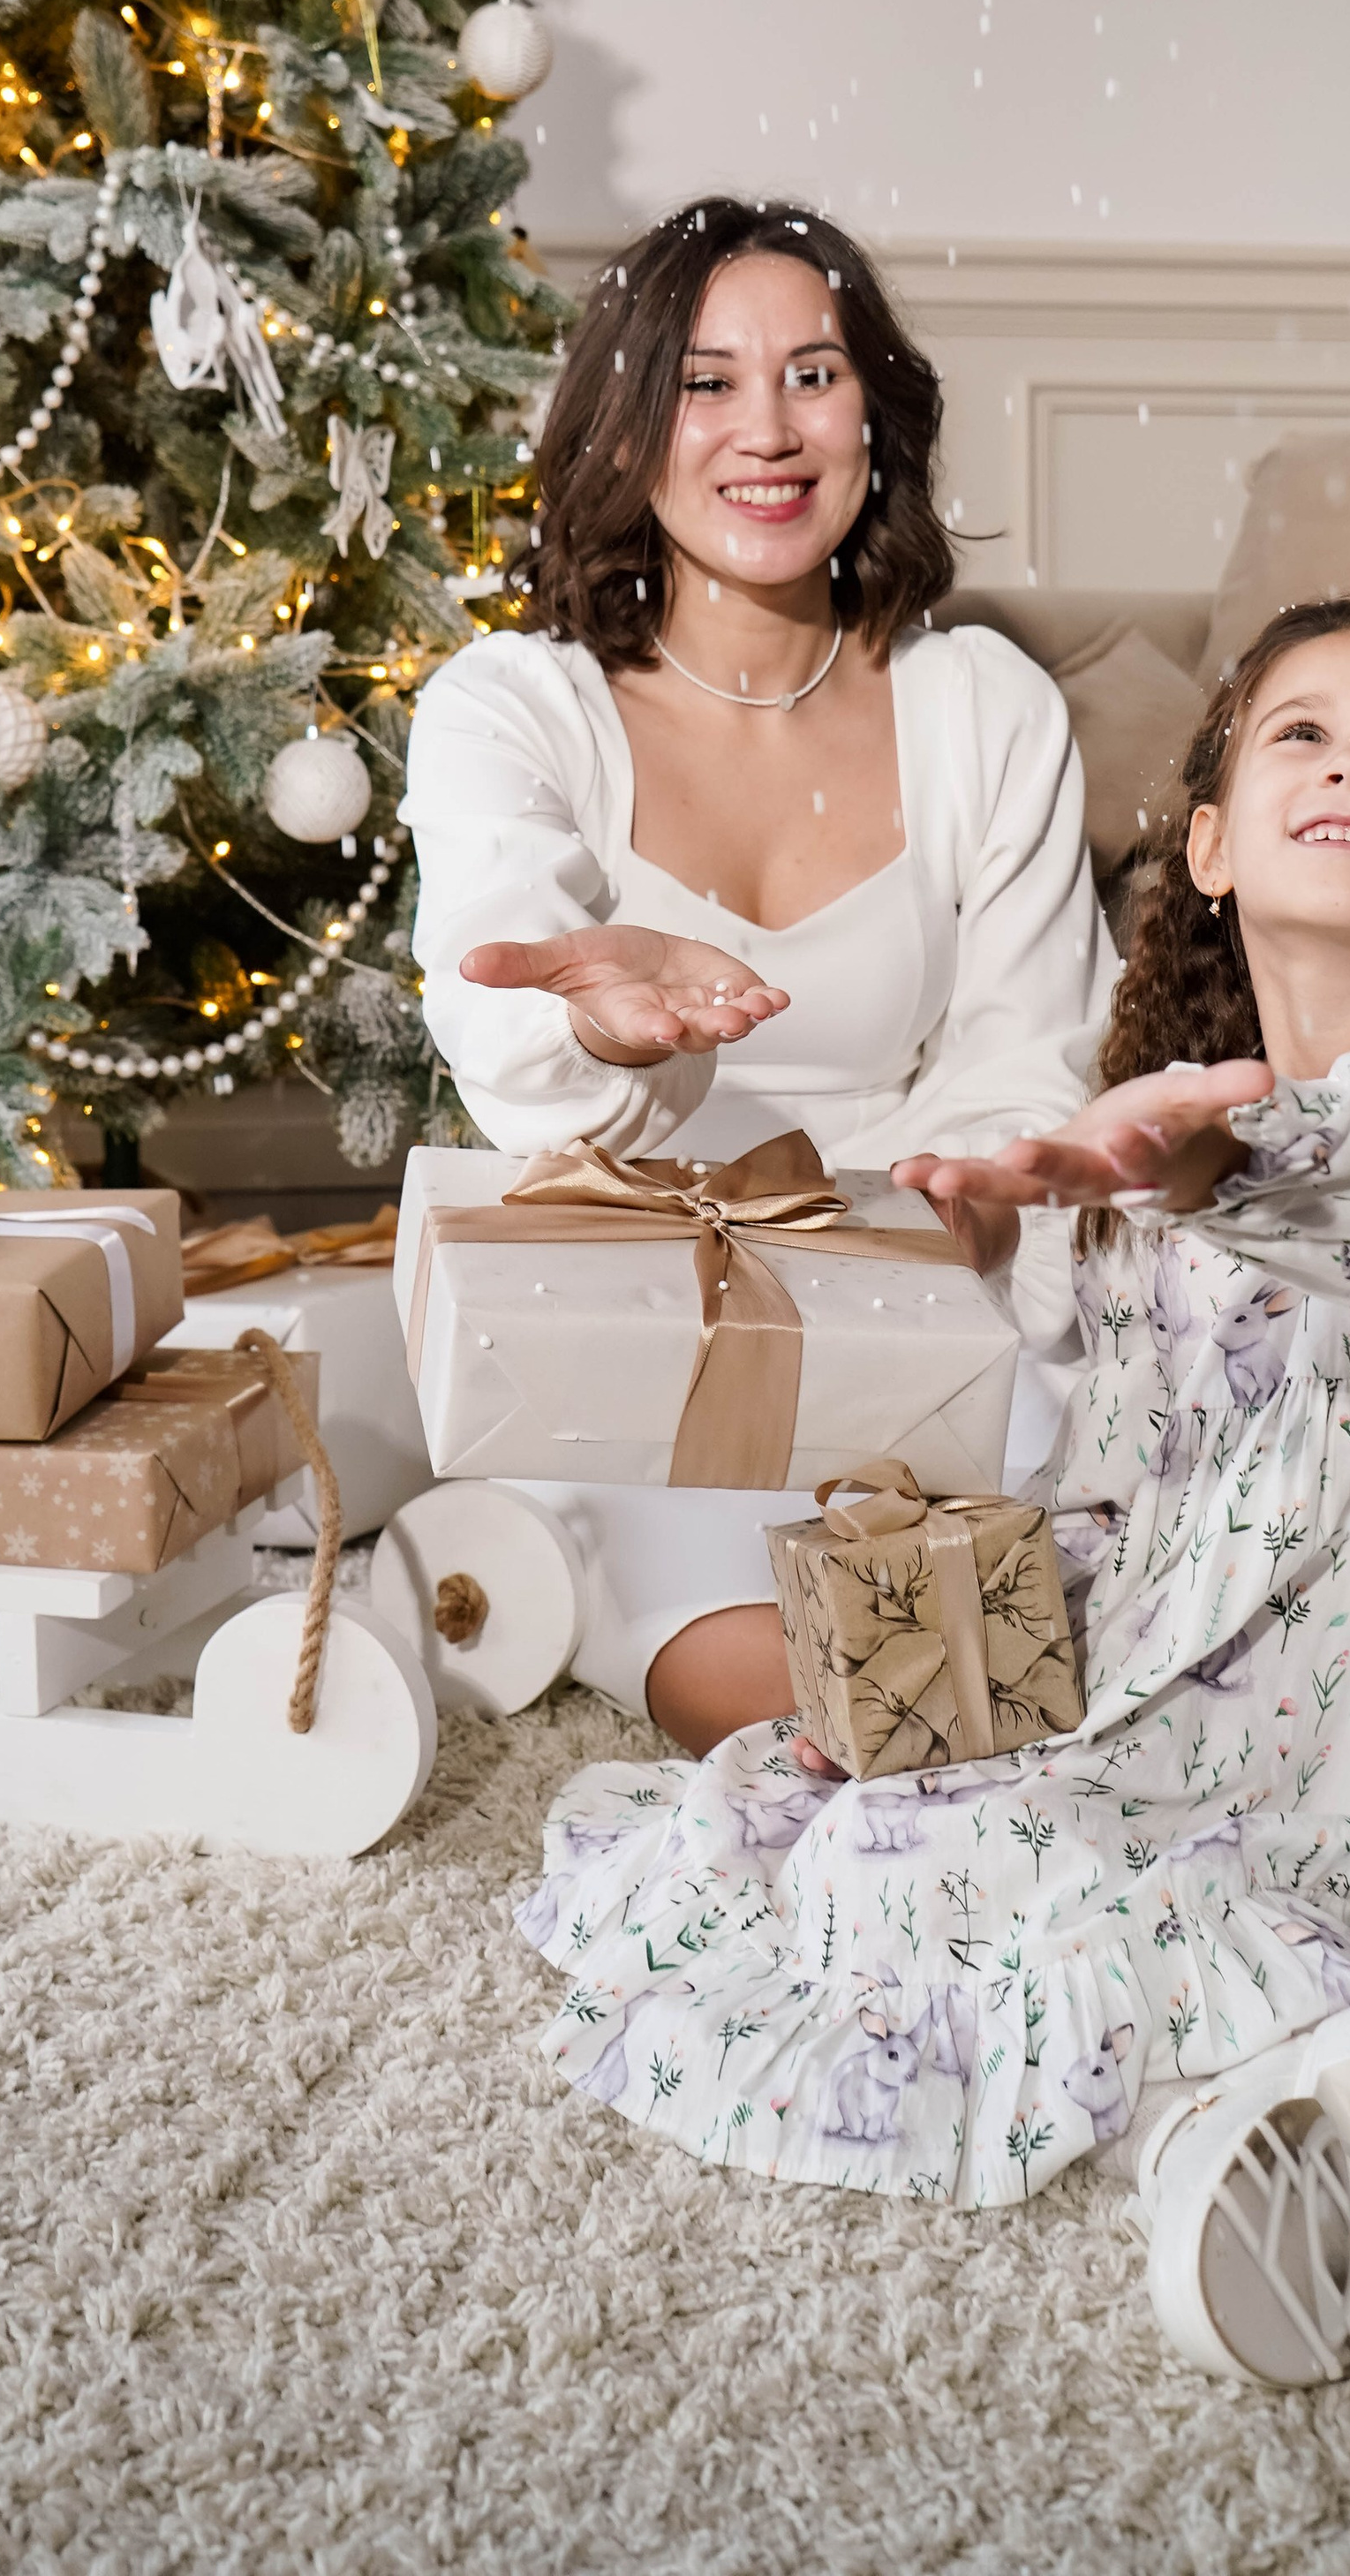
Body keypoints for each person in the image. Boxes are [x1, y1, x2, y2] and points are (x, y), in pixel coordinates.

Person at [516, 595, 1350, 2381]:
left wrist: (1229, 1154)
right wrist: (1009, 1247)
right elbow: (1110, 1448)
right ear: (1215, 845)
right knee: (894, 1842)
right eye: (1300, 733)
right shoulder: (1133, 1119)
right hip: (1181, 1668)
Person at [403, 196, 1117, 1749]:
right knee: (807, 1678)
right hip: (627, 1324)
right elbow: (503, 977)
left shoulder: (983, 706)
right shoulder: (514, 706)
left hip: (927, 1299)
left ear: (880, 417)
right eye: (707, 382)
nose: (766, 430)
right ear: (626, 424)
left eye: (816, 372)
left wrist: (919, 1230)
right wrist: (605, 1025)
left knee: (1115, 1615)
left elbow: (1029, 1050)